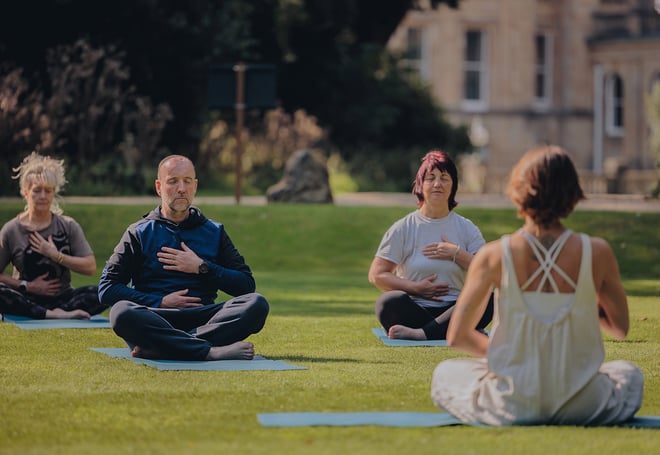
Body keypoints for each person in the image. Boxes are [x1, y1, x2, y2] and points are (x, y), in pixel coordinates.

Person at [431, 145, 643, 426]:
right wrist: (582, 300)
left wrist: (515, 359)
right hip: (583, 402)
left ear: (519, 189)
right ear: (571, 193)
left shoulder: (493, 255)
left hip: (514, 402)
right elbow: (620, 327)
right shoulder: (598, 252)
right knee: (629, 375)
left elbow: (457, 336)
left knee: (446, 374)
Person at [99, 155, 269, 361]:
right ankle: (207, 351)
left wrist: (202, 267)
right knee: (121, 312)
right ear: (159, 187)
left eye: (187, 181)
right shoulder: (139, 232)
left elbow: (245, 286)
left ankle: (169, 347)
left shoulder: (214, 231)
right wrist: (160, 302)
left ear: (195, 186)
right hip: (156, 318)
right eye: (173, 181)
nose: (181, 188)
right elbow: (107, 289)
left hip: (205, 319)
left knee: (257, 304)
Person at [368, 150, 493, 340]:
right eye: (430, 178)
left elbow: (488, 271)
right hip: (415, 308)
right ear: (421, 185)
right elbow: (377, 275)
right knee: (387, 302)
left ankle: (423, 334)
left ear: (453, 185)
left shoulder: (466, 228)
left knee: (490, 298)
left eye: (444, 178)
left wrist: (457, 253)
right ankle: (456, 330)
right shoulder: (404, 227)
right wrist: (415, 288)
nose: (437, 184)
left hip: (456, 307)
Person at [0, 152, 105, 320]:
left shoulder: (68, 225)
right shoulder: (11, 230)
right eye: (37, 190)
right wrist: (28, 286)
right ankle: (52, 315)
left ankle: (58, 312)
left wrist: (55, 255)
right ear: (25, 193)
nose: (42, 196)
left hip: (63, 299)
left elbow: (90, 267)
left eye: (48, 191)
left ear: (54, 193)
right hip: (25, 298)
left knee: (104, 291)